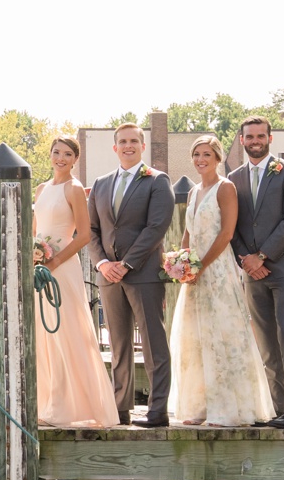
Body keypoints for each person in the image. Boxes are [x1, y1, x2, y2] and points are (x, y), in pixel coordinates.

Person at [172, 136, 278, 426]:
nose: (200, 159)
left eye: (206, 154)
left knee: (223, 335)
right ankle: (200, 407)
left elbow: (227, 234)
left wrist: (201, 266)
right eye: (196, 154)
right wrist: (181, 261)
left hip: (217, 271)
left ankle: (227, 409)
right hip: (194, 275)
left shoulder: (225, 188)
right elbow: (188, 233)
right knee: (196, 338)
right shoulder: (193, 192)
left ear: (217, 157)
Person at [87, 123, 176, 428]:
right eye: (122, 141)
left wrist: (127, 264)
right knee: (118, 343)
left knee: (153, 342)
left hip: (144, 274)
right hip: (108, 276)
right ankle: (120, 408)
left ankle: (157, 410)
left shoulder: (157, 181)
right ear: (115, 148)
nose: (128, 145)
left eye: (133, 141)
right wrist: (102, 264)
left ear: (142, 146)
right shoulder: (100, 184)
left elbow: (156, 227)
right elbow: (91, 230)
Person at [231, 116, 284, 428]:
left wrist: (262, 256)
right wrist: (246, 260)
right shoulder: (234, 177)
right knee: (266, 344)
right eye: (249, 136)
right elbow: (233, 226)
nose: (255, 141)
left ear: (270, 138)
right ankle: (278, 409)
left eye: (260, 136)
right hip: (252, 273)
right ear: (241, 140)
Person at [32, 137, 114, 427]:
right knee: (43, 336)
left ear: (75, 159)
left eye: (67, 154)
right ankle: (45, 402)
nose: (61, 158)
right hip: (39, 268)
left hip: (62, 267)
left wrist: (53, 261)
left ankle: (70, 406)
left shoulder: (75, 189)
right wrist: (34, 256)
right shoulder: (41, 188)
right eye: (56, 152)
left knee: (66, 331)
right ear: (50, 155)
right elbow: (35, 230)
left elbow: (83, 235)